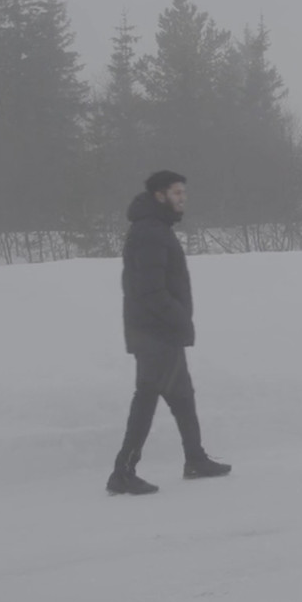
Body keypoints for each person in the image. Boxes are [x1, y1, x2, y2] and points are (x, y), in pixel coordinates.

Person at [108, 170, 231, 495]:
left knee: (182, 397)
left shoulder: (155, 228)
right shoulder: (150, 233)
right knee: (147, 399)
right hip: (156, 334)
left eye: (183, 194)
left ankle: (195, 459)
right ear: (160, 196)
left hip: (156, 333)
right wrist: (178, 318)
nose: (182, 199)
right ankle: (122, 472)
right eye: (177, 193)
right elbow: (150, 290)